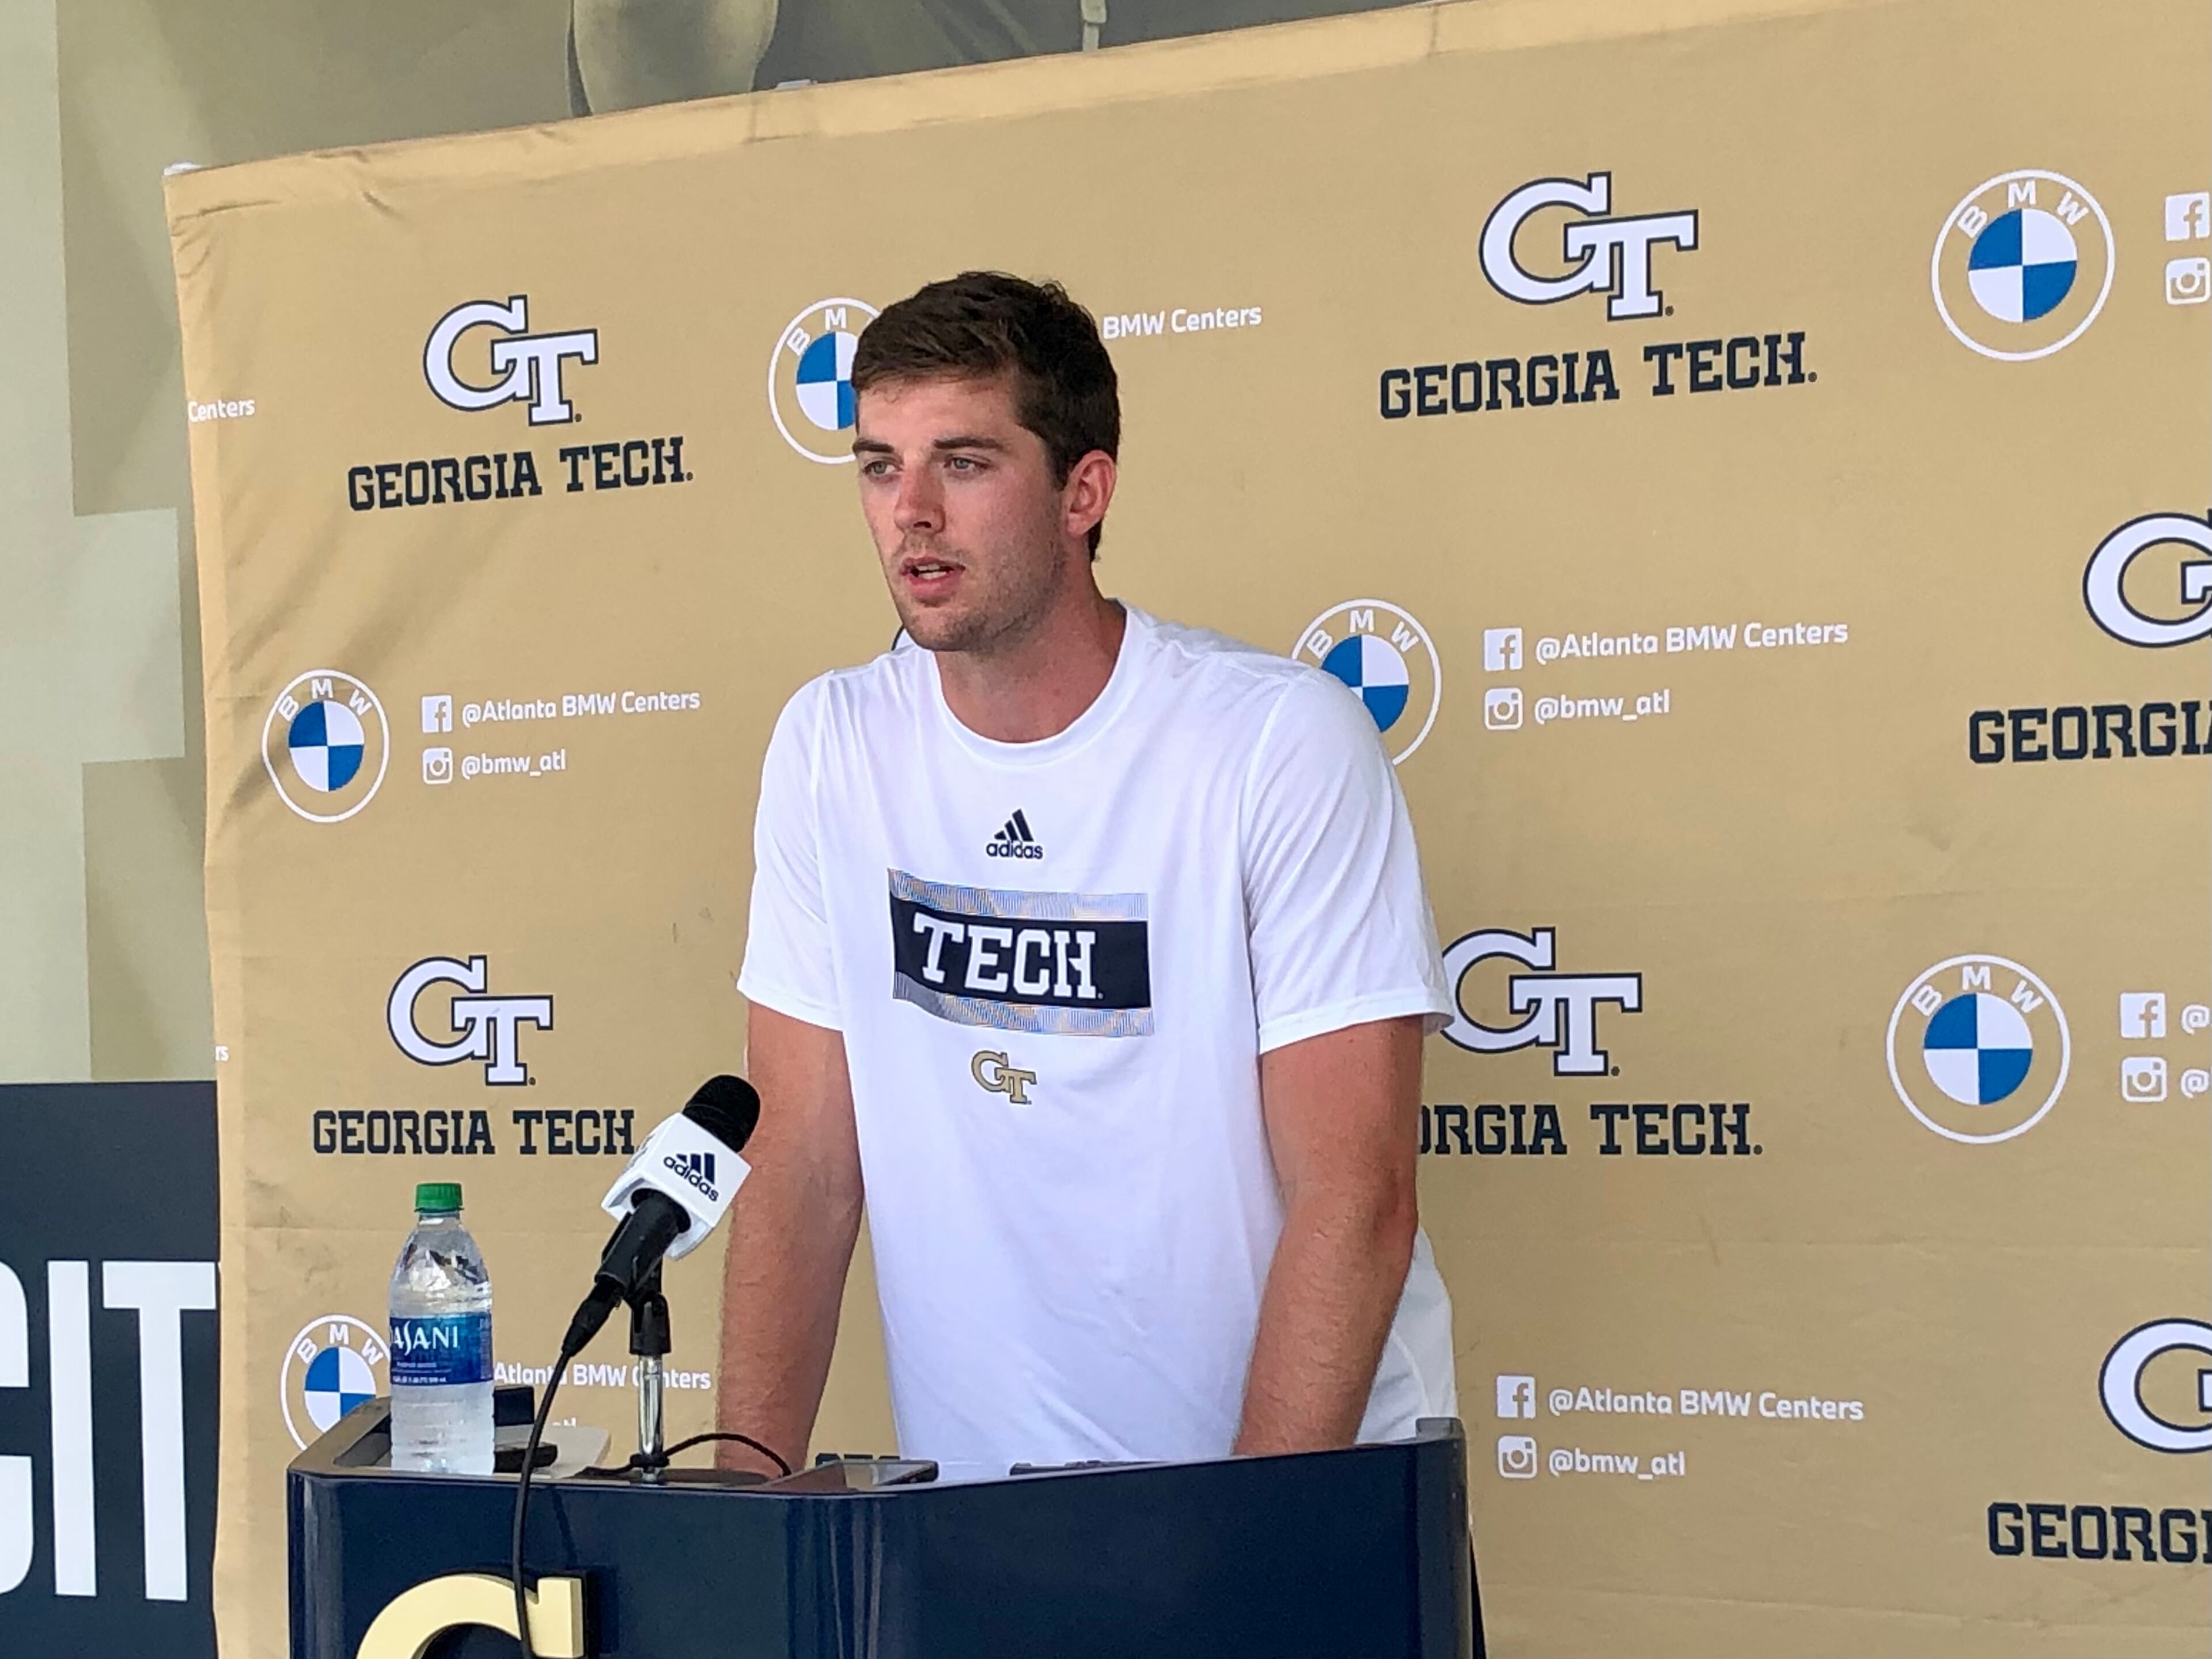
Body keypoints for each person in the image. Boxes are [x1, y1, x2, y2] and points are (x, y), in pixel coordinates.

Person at [719, 271, 1456, 1476]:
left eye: (963, 463)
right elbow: (799, 1162)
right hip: (974, 1523)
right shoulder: (830, 744)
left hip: (1291, 1507)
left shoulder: (1276, 741)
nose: (910, 513)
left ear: (1084, 490)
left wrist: (1239, 1553)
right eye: (877, 465)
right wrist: (733, 1529)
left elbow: (1353, 1198)